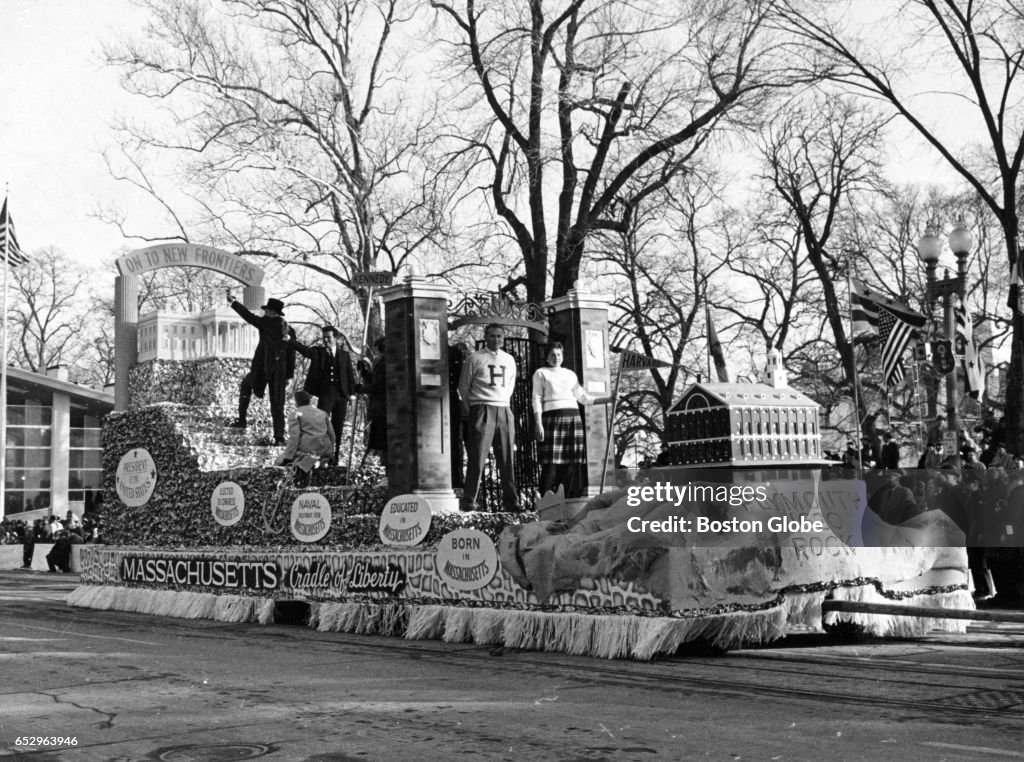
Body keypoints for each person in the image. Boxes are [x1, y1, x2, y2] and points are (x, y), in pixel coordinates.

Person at [531, 342, 610, 497]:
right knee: (550, 464)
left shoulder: (570, 374)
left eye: (559, 354)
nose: (556, 358)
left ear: (563, 356)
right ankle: (545, 499)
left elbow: (583, 397)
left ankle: (567, 498)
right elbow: (536, 397)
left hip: (573, 417)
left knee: (571, 463)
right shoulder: (541, 373)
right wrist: (538, 422)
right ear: (547, 357)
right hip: (552, 418)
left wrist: (608, 399)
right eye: (552, 355)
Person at [458, 323, 518, 512]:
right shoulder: (475, 358)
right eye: (492, 336)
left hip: (503, 409)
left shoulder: (509, 359)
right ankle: (469, 500)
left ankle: (511, 501)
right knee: (477, 457)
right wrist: (472, 409)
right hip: (481, 409)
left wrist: (502, 402)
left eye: (499, 336)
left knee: (507, 458)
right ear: (485, 336)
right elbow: (463, 387)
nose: (496, 340)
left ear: (503, 338)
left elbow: (510, 385)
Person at [226, 292, 294, 444]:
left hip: (263, 369)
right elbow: (292, 354)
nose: (264, 314)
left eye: (266, 311)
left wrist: (234, 303)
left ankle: (242, 420)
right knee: (277, 405)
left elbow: (248, 316)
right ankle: (279, 438)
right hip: (280, 372)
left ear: (271, 312)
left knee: (246, 385)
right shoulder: (289, 329)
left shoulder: (266, 323)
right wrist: (289, 375)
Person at [290, 325, 357, 466]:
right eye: (324, 337)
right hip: (326, 395)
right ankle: (321, 456)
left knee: (338, 427)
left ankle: (334, 457)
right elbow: (305, 351)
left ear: (336, 338)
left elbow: (350, 376)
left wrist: (352, 395)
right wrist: (290, 340)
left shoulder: (344, 355)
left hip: (342, 396)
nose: (326, 340)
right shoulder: (318, 352)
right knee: (322, 426)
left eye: (329, 337)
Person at [275, 391, 336, 474]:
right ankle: (317, 463)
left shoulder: (295, 414)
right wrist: (330, 453)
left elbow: (294, 437)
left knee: (278, 462)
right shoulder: (322, 413)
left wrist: (288, 457)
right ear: (309, 401)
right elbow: (332, 436)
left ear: (296, 402)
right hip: (324, 450)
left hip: (306, 450)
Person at [359, 338, 388, 468]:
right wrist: (364, 372)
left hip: (383, 407)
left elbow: (378, 386)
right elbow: (373, 380)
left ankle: (375, 465)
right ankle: (368, 464)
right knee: (376, 438)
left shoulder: (387, 363)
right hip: (378, 408)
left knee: (381, 440)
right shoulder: (381, 363)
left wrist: (361, 389)